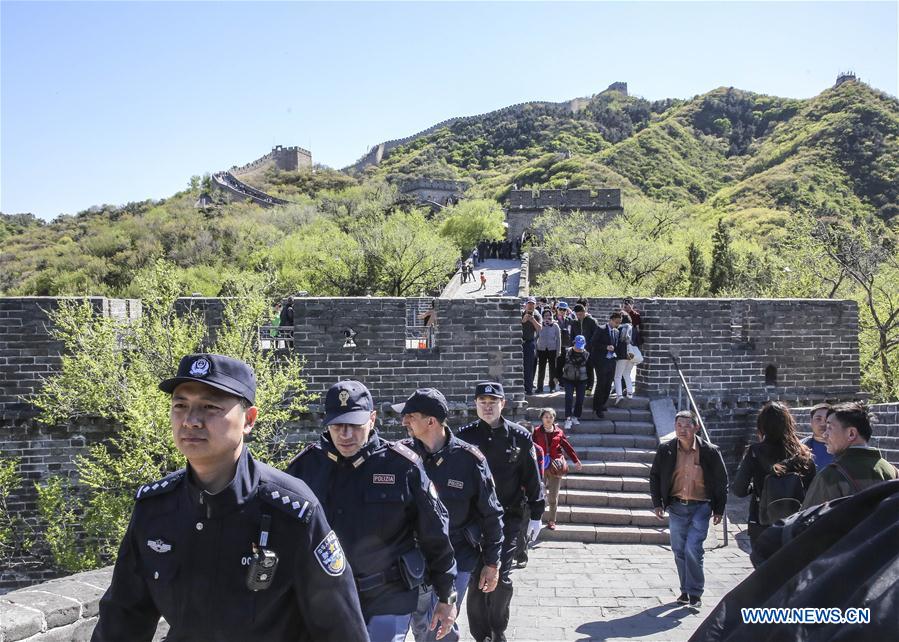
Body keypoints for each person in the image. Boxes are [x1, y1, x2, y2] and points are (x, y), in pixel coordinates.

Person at [92, 354, 368, 642]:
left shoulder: (292, 511)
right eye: (180, 405)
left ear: (248, 420)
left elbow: (340, 627)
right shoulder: (156, 508)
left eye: (210, 407)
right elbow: (122, 618)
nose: (190, 420)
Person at [287, 380, 458, 642]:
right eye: (337, 425)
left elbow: (434, 533)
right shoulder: (305, 467)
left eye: (355, 425)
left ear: (372, 419)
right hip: (324, 597)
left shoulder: (402, 466)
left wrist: (446, 596)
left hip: (387, 595)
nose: (345, 435)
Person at [395, 389, 504, 642]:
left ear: (430, 421)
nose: (404, 422)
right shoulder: (400, 456)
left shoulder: (469, 459)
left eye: (410, 416)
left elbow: (492, 513)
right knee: (422, 625)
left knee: (440, 625)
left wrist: (492, 563)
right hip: (415, 557)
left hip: (458, 557)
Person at [457, 382, 545, 642]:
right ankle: (480, 634)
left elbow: (532, 477)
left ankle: (498, 627)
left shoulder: (519, 436)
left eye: (493, 401)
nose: (487, 406)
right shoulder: (464, 437)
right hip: (472, 520)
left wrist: (537, 514)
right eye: (482, 401)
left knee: (501, 576)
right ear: (475, 404)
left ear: (503, 404)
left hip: (508, 516)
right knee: (475, 578)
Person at [649, 410, 728, 610]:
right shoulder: (666, 450)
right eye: (679, 426)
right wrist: (658, 503)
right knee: (678, 550)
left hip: (701, 506)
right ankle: (684, 590)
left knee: (693, 548)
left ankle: (695, 592)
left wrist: (719, 509)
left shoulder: (710, 451)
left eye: (687, 425)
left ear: (696, 427)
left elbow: (721, 481)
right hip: (676, 506)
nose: (682, 430)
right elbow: (655, 476)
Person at [732, 401, 816, 560]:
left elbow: (738, 490)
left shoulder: (755, 452)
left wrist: (755, 487)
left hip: (762, 521)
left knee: (764, 571)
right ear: (789, 423)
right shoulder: (803, 453)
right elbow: (812, 489)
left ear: (761, 426)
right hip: (795, 522)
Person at [802, 402, 898, 508]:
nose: (824, 434)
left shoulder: (830, 476)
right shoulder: (892, 472)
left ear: (851, 433)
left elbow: (805, 521)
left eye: (829, 427)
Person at [532, 408, 582, 530]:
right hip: (541, 466)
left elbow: (567, 447)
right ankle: (536, 519)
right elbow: (531, 447)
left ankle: (551, 520)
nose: (548, 419)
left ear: (554, 418)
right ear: (542, 418)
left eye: (551, 417)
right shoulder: (536, 431)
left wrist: (575, 460)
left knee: (553, 497)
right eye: (546, 417)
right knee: (538, 494)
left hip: (556, 466)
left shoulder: (559, 432)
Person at [589, 312, 622, 418]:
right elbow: (593, 342)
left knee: (608, 384)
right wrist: (606, 347)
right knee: (601, 383)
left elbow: (616, 346)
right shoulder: (601, 329)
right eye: (616, 322)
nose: (617, 324)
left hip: (611, 360)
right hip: (600, 360)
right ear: (611, 320)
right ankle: (597, 407)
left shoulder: (616, 332)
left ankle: (603, 403)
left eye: (619, 323)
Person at [560, 335, 591, 429]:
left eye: (581, 347)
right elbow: (559, 365)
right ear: (574, 343)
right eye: (577, 346)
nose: (579, 349)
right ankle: (568, 418)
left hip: (582, 379)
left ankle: (576, 416)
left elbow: (590, 370)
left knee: (580, 399)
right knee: (568, 398)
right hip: (568, 378)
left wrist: (590, 384)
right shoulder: (566, 352)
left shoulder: (587, 355)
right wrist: (558, 378)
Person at [570, 303, 598, 393]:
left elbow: (596, 335)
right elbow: (572, 336)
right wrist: (574, 345)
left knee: (589, 368)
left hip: (589, 350)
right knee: (577, 368)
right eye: (577, 314)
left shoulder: (592, 321)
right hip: (577, 349)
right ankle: (577, 386)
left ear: (584, 312)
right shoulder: (574, 322)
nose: (579, 316)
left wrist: (590, 346)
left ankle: (589, 388)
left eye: (580, 314)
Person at [613, 313, 638, 403]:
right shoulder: (634, 329)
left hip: (622, 355)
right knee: (627, 374)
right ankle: (630, 393)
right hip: (632, 355)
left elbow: (617, 343)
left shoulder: (619, 329)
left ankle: (619, 395)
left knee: (617, 376)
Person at [535, 309, 561, 393]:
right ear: (543, 317)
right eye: (545, 315)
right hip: (541, 349)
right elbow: (536, 338)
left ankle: (552, 387)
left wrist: (558, 351)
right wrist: (536, 349)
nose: (547, 317)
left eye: (548, 315)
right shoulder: (539, 325)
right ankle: (539, 387)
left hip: (552, 349)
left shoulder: (555, 326)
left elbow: (559, 339)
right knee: (541, 369)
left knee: (552, 369)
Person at [802, 403, 834, 469]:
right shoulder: (800, 447)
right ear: (811, 421)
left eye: (827, 419)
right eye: (818, 419)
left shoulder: (843, 448)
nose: (823, 424)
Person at [521, 297, 541, 395]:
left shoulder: (537, 315)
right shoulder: (520, 313)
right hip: (519, 342)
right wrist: (523, 320)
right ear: (526, 305)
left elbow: (539, 328)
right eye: (529, 304)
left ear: (535, 305)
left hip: (529, 343)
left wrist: (532, 320)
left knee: (529, 367)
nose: (531, 306)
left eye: (532, 304)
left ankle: (528, 389)